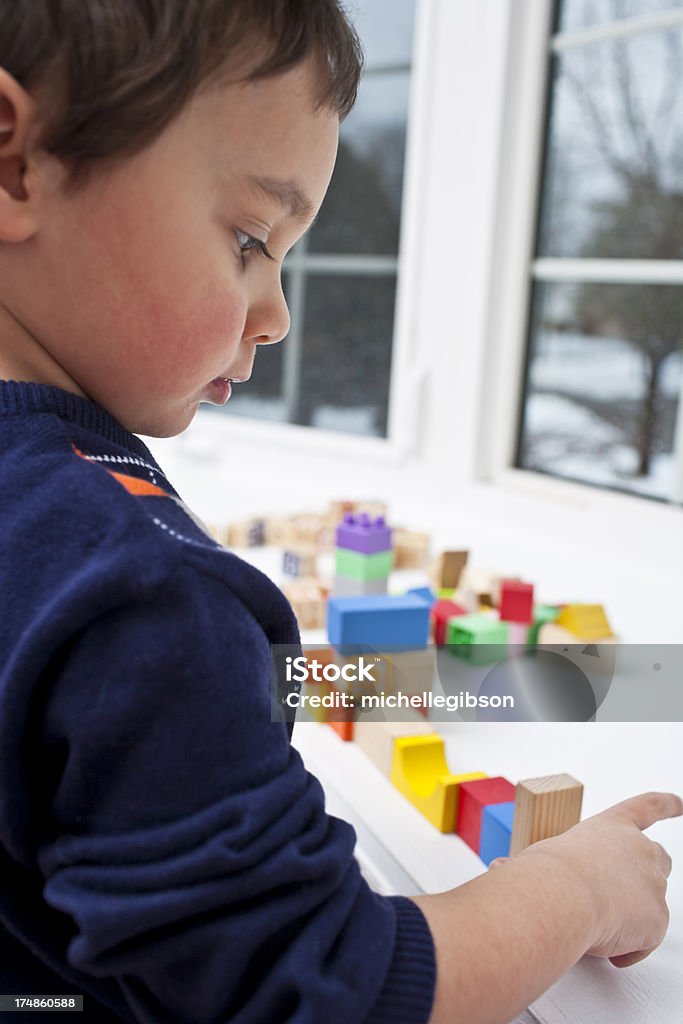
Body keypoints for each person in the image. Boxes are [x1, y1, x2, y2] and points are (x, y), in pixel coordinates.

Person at [0, 2, 679, 1022]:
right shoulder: (141, 592)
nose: (276, 315)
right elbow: (328, 981)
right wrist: (576, 887)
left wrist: (521, 680)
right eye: (248, 239)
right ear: (17, 163)